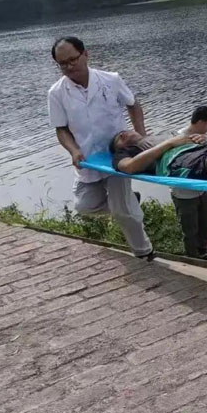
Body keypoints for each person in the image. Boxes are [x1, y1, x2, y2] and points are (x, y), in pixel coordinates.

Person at [48, 37, 153, 260]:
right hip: (88, 158)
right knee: (84, 206)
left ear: (85, 54)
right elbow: (61, 129)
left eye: (73, 60)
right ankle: (130, 201)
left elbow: (133, 104)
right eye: (63, 64)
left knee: (123, 211)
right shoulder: (56, 93)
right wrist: (73, 150)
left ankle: (144, 253)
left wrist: (140, 135)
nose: (69, 67)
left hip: (117, 154)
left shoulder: (110, 80)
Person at [170, 106, 207, 259]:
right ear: (201, 122)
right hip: (184, 194)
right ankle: (192, 258)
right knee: (190, 229)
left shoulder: (201, 139)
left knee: (205, 224)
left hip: (200, 190)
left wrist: (206, 144)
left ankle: (204, 252)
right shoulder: (176, 138)